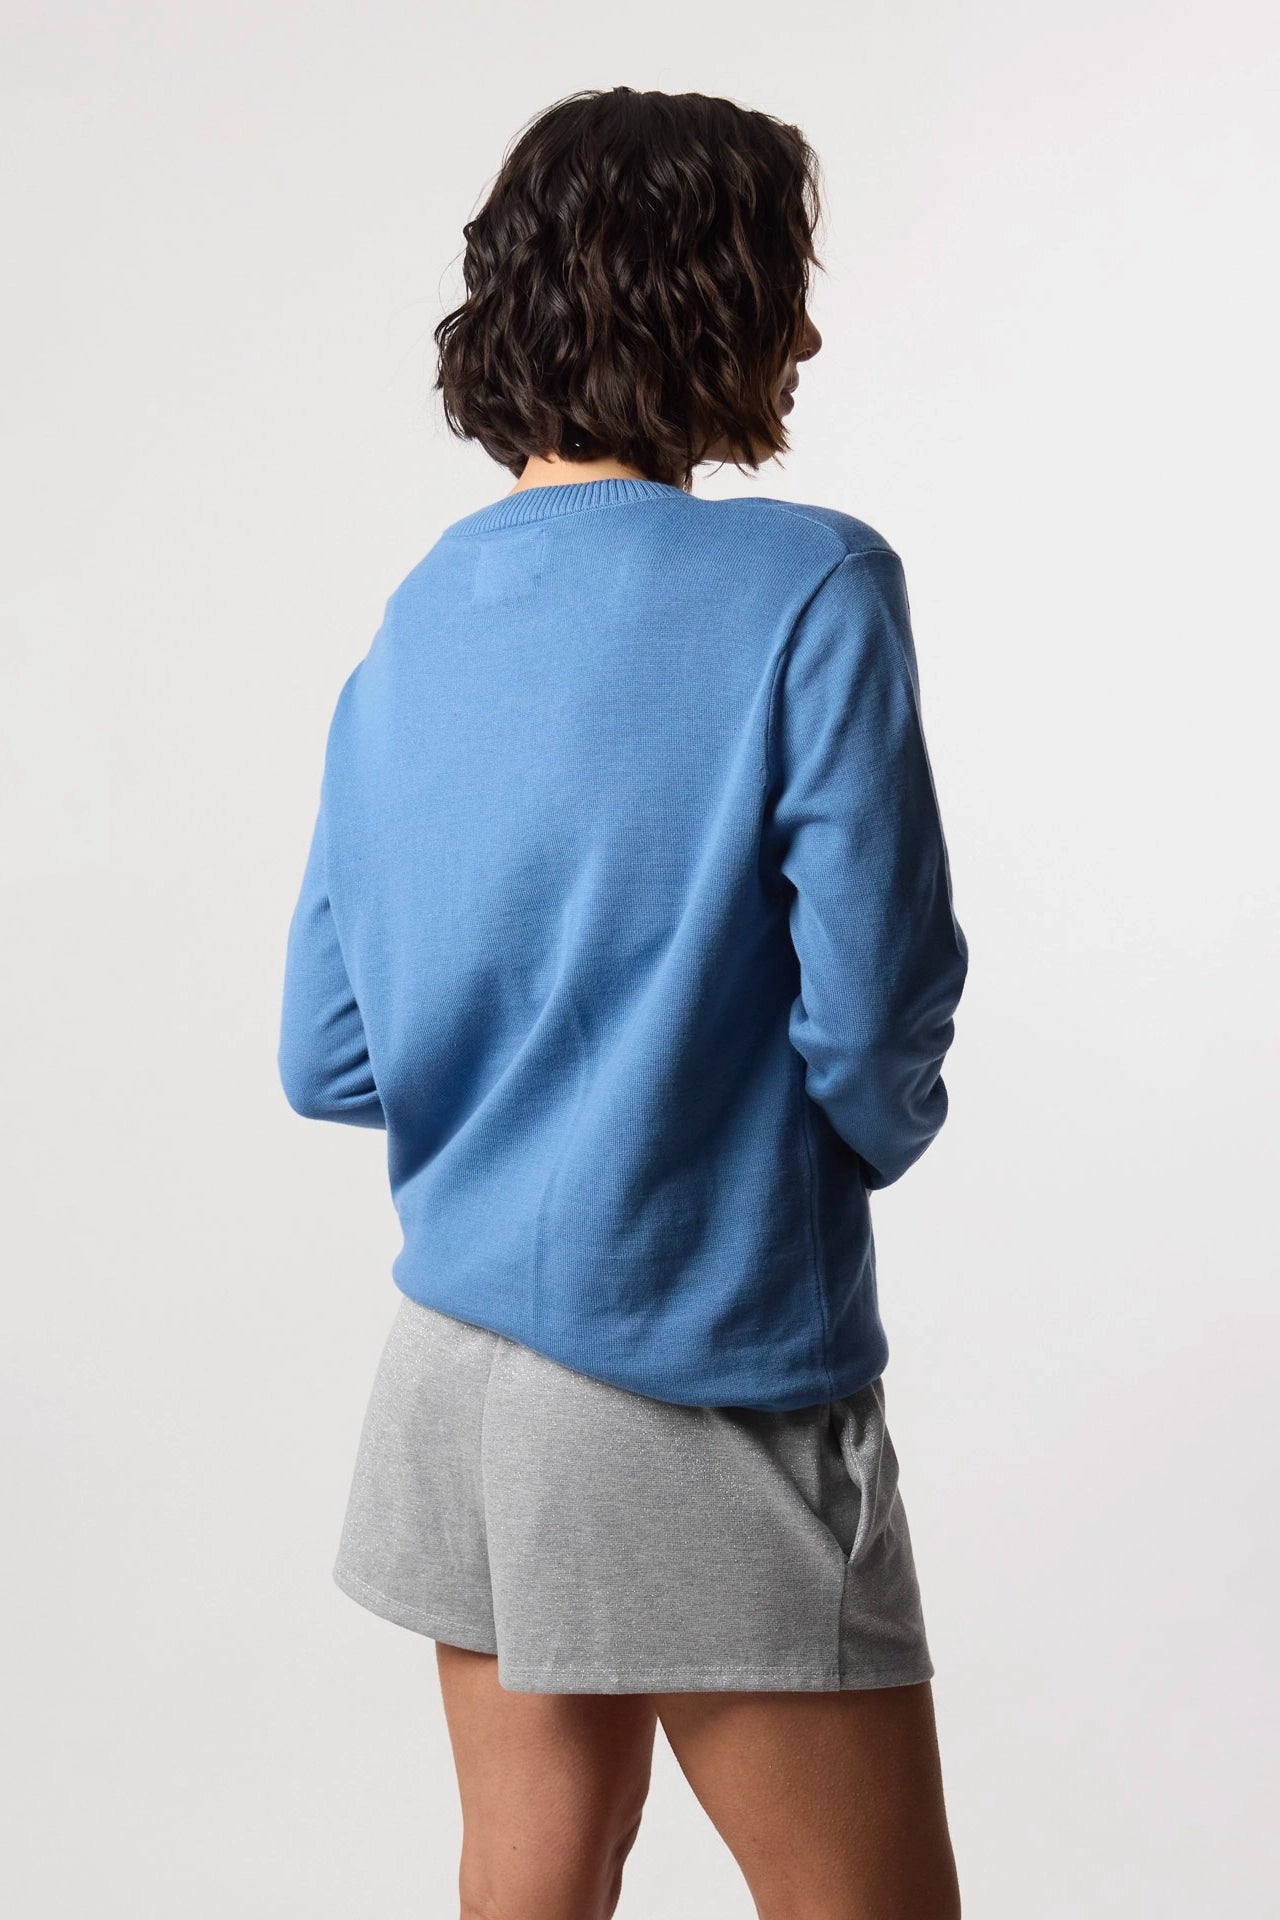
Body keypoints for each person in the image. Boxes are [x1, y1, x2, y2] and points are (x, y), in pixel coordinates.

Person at [278, 84, 968, 1920]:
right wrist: (832, 1140)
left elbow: (326, 1052)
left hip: (453, 1379)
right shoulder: (811, 583)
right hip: (697, 1368)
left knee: (532, 1884)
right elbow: (877, 1021)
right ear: (701, 299)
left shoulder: (414, 620)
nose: (803, 338)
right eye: (781, 286)